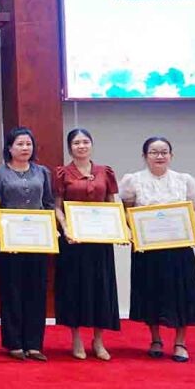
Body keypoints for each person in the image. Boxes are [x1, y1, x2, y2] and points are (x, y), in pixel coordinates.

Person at [120, 136, 195, 362]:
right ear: (144, 156)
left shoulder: (184, 180)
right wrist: (131, 230)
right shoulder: (133, 181)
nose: (159, 156)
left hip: (178, 248)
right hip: (147, 249)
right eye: (154, 152)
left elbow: (193, 210)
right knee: (151, 293)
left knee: (182, 294)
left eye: (164, 152)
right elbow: (126, 210)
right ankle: (155, 339)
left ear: (171, 155)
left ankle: (180, 343)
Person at [53, 129, 120, 361]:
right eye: (76, 143)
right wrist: (66, 228)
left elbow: (112, 204)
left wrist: (118, 230)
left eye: (85, 142)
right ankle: (77, 339)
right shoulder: (62, 173)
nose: (81, 146)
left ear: (91, 145)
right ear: (69, 147)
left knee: (101, 288)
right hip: (73, 241)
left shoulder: (105, 172)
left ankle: (98, 340)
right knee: (75, 289)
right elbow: (57, 206)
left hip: (100, 242)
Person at [0, 126, 55, 361]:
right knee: (12, 290)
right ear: (9, 148)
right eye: (20, 144)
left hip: (38, 240)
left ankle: (34, 344)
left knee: (36, 290)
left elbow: (48, 203)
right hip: (10, 241)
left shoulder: (43, 172)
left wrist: (51, 229)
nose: (25, 148)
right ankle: (14, 342)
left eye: (28, 144)